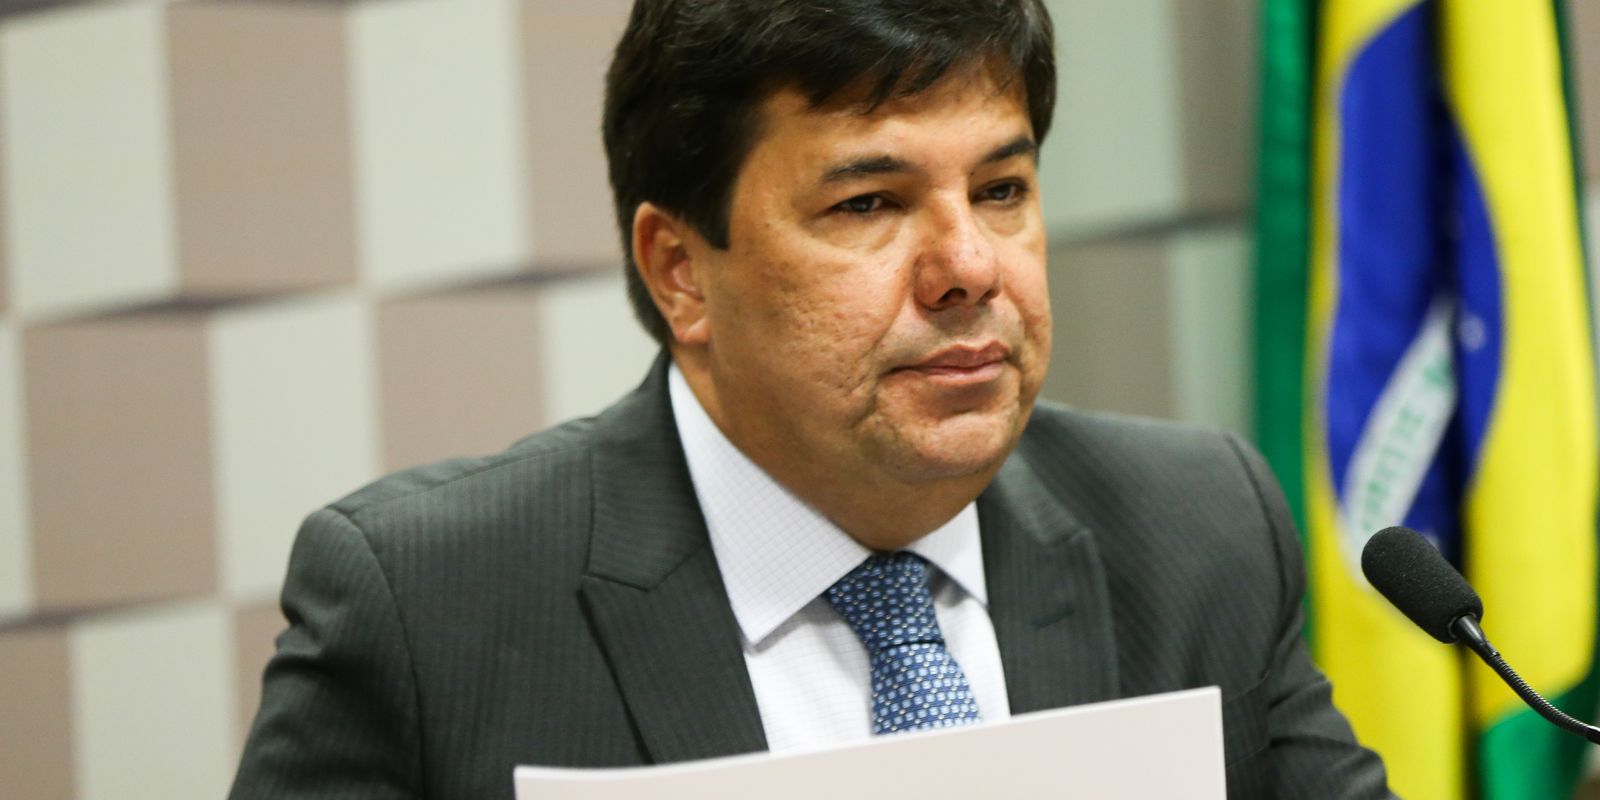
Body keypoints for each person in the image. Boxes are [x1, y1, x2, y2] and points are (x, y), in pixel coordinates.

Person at [229, 1, 1393, 797]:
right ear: (680, 272)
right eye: (868, 204)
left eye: (1000, 188)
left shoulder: (1195, 529)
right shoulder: (430, 605)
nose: (968, 266)